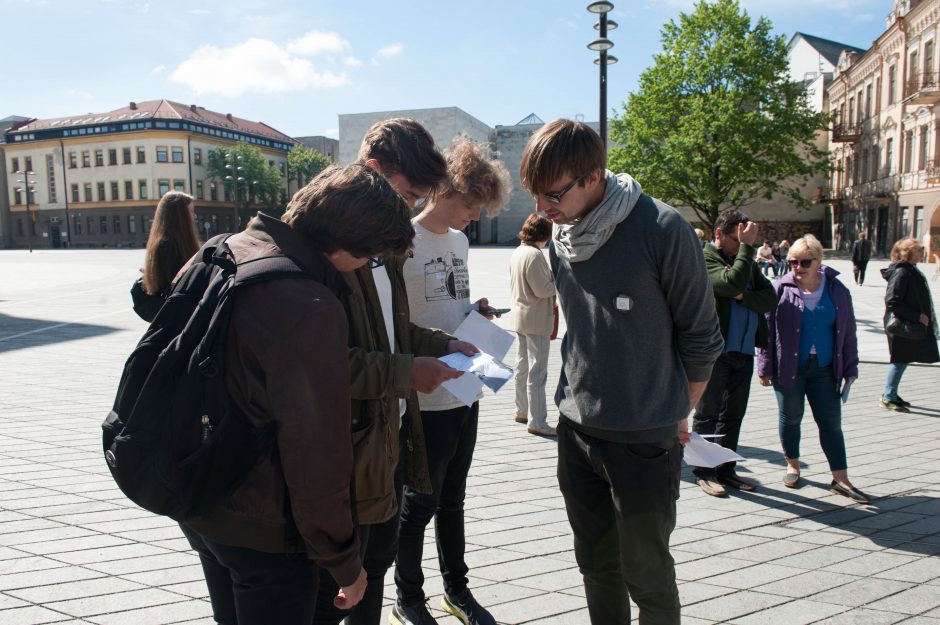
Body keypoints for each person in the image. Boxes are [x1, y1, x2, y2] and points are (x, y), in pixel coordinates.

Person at [180, 164, 416, 625]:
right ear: (343, 246)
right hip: (265, 526)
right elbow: (316, 452)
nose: (365, 269)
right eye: (368, 259)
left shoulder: (222, 249)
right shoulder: (307, 303)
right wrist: (346, 564)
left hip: (199, 495)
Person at [520, 119, 723, 625]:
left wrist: (679, 411)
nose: (544, 209)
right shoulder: (562, 239)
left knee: (647, 574)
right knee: (595, 564)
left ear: (594, 176)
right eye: (537, 195)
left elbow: (702, 339)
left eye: (553, 194)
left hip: (642, 436)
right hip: (576, 431)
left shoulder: (661, 228)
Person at [312, 119, 476, 625]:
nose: (407, 211)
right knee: (332, 594)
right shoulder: (329, 249)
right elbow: (320, 364)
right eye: (406, 195)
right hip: (344, 447)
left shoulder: (385, 244)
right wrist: (406, 371)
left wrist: (440, 343)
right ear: (372, 169)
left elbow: (391, 327)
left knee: (375, 570)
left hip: (387, 434)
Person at [394, 136, 510, 625]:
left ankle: (457, 591)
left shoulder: (460, 242)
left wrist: (474, 312)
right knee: (419, 501)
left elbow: (448, 305)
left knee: (454, 499)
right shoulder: (400, 240)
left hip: (466, 388)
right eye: (472, 204)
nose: (476, 216)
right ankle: (408, 597)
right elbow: (398, 320)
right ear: (443, 189)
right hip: (425, 397)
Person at [757, 235, 869, 503]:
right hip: (789, 367)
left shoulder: (836, 289)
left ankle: (840, 478)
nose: (798, 266)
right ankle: (793, 465)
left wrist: (851, 366)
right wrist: (764, 366)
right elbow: (766, 332)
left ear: (819, 261)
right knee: (791, 417)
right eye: (793, 261)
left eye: (805, 261)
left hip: (825, 368)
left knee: (831, 423)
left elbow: (848, 332)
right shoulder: (780, 289)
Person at [692, 209, 775, 497]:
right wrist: (748, 253)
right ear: (718, 235)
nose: (743, 244)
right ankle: (704, 471)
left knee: (733, 414)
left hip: (743, 350)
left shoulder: (744, 260)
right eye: (738, 238)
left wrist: (744, 296)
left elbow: (769, 297)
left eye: (747, 239)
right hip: (715, 351)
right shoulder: (705, 258)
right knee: (708, 413)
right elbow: (729, 284)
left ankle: (726, 469)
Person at [508, 214, 557, 436]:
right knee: (538, 373)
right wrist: (560, 279)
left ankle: (522, 411)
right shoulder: (535, 255)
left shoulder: (518, 252)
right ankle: (537, 421)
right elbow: (543, 290)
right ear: (544, 234)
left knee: (522, 367)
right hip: (536, 319)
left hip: (520, 317)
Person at [879, 237, 939, 411]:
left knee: (902, 359)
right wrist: (917, 316)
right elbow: (892, 301)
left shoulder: (910, 270)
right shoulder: (902, 272)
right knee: (899, 359)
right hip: (901, 324)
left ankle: (891, 393)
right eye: (919, 249)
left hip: (905, 323)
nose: (923, 251)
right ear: (908, 252)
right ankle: (888, 396)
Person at [132, 191, 200, 321]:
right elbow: (175, 285)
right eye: (191, 211)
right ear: (180, 216)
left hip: (178, 314)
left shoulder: (168, 241)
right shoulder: (169, 245)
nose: (194, 216)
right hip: (178, 317)